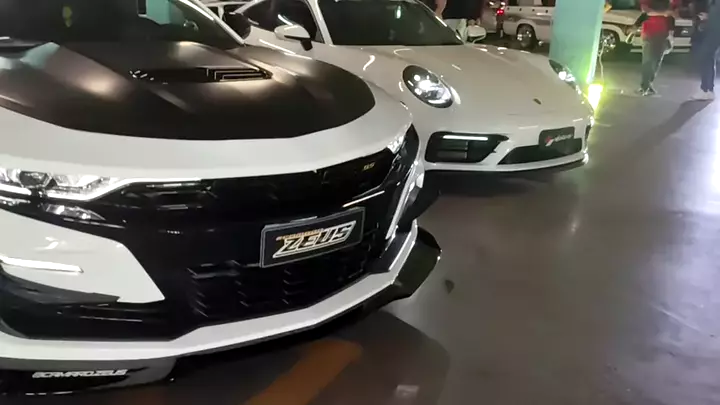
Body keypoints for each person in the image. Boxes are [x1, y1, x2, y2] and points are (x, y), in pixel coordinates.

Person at [635, 0, 678, 96]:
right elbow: (645, 11)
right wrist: (664, 13)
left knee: (657, 61)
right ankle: (644, 86)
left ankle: (648, 84)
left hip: (663, 33)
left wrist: (671, 34)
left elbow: (673, 15)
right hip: (649, 32)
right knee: (648, 60)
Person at [690, 0, 720, 100]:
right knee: (708, 59)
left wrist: (708, 17)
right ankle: (708, 89)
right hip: (710, 32)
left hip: (714, 33)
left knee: (705, 58)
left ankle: (706, 89)